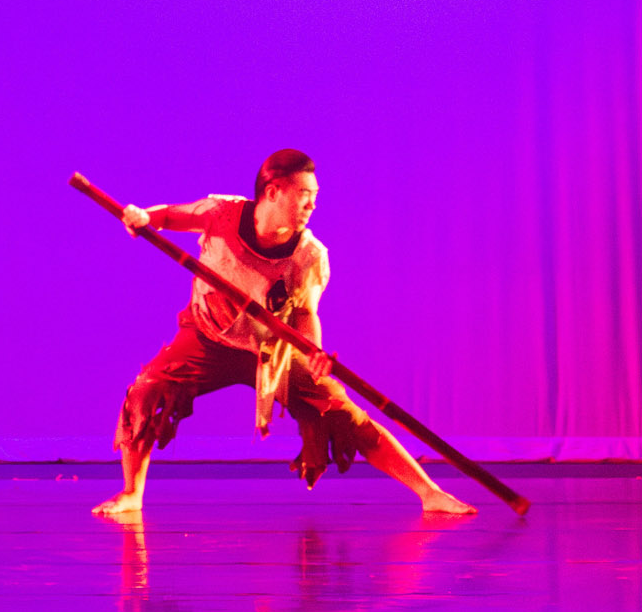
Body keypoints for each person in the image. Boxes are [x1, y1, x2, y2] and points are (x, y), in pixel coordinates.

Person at [93, 149, 474, 518]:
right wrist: (142, 218)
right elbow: (168, 217)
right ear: (273, 191)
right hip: (206, 338)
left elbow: (306, 314)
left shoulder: (309, 255)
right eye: (304, 196)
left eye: (315, 197)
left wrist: (314, 352)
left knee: (343, 413)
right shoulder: (221, 213)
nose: (312, 206)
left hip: (270, 352)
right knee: (145, 391)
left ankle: (431, 493)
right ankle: (131, 494)